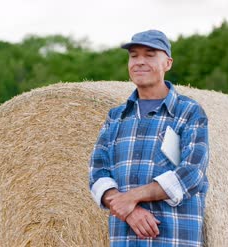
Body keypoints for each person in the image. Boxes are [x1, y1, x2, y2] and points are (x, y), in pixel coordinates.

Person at [89, 30, 209, 246]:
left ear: (168, 63)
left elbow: (192, 173)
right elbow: (97, 173)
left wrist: (132, 197)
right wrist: (129, 210)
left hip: (173, 239)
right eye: (134, 56)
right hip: (124, 239)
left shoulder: (189, 112)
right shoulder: (115, 117)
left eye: (150, 54)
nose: (140, 62)